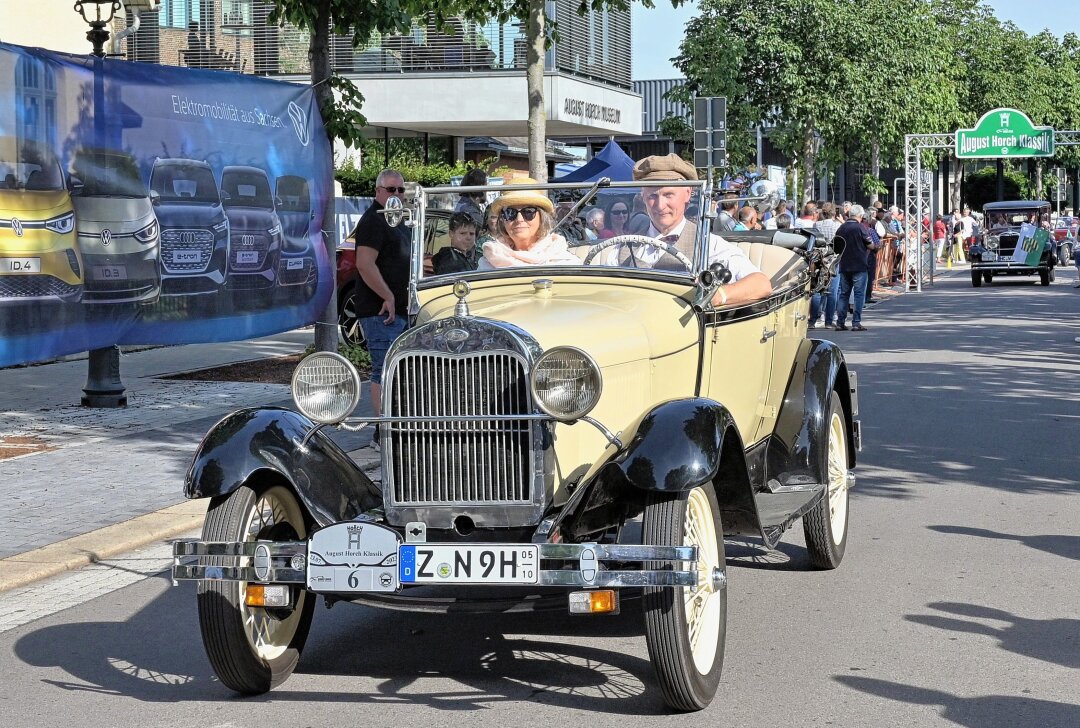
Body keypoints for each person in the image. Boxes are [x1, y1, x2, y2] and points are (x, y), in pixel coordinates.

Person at [609, 154, 772, 307]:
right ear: (642, 196)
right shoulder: (622, 247)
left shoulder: (708, 245)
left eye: (668, 195)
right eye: (652, 196)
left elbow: (761, 283)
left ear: (687, 194)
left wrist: (719, 295)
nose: (660, 205)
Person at [350, 168, 411, 443]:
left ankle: (395, 426)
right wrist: (387, 296)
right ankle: (383, 433)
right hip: (380, 312)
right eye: (391, 190)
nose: (396, 195)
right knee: (383, 369)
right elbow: (364, 263)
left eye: (401, 190)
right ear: (378, 191)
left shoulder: (396, 221)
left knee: (398, 371)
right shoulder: (374, 220)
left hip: (399, 310)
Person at [479, 179, 580, 268]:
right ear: (502, 219)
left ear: (542, 217)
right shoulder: (489, 261)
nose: (519, 219)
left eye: (528, 212)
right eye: (510, 213)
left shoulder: (564, 263)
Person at [834, 205, 878, 332]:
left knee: (843, 294)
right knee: (859, 295)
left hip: (844, 265)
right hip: (859, 265)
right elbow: (870, 245)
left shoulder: (841, 228)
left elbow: (836, 245)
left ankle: (840, 322)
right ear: (860, 215)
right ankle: (856, 322)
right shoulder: (861, 228)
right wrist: (874, 247)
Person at [809, 202, 841, 329]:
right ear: (834, 213)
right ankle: (828, 321)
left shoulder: (816, 224)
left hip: (819, 260)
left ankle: (813, 320)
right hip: (833, 259)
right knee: (832, 291)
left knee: (817, 290)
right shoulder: (837, 226)